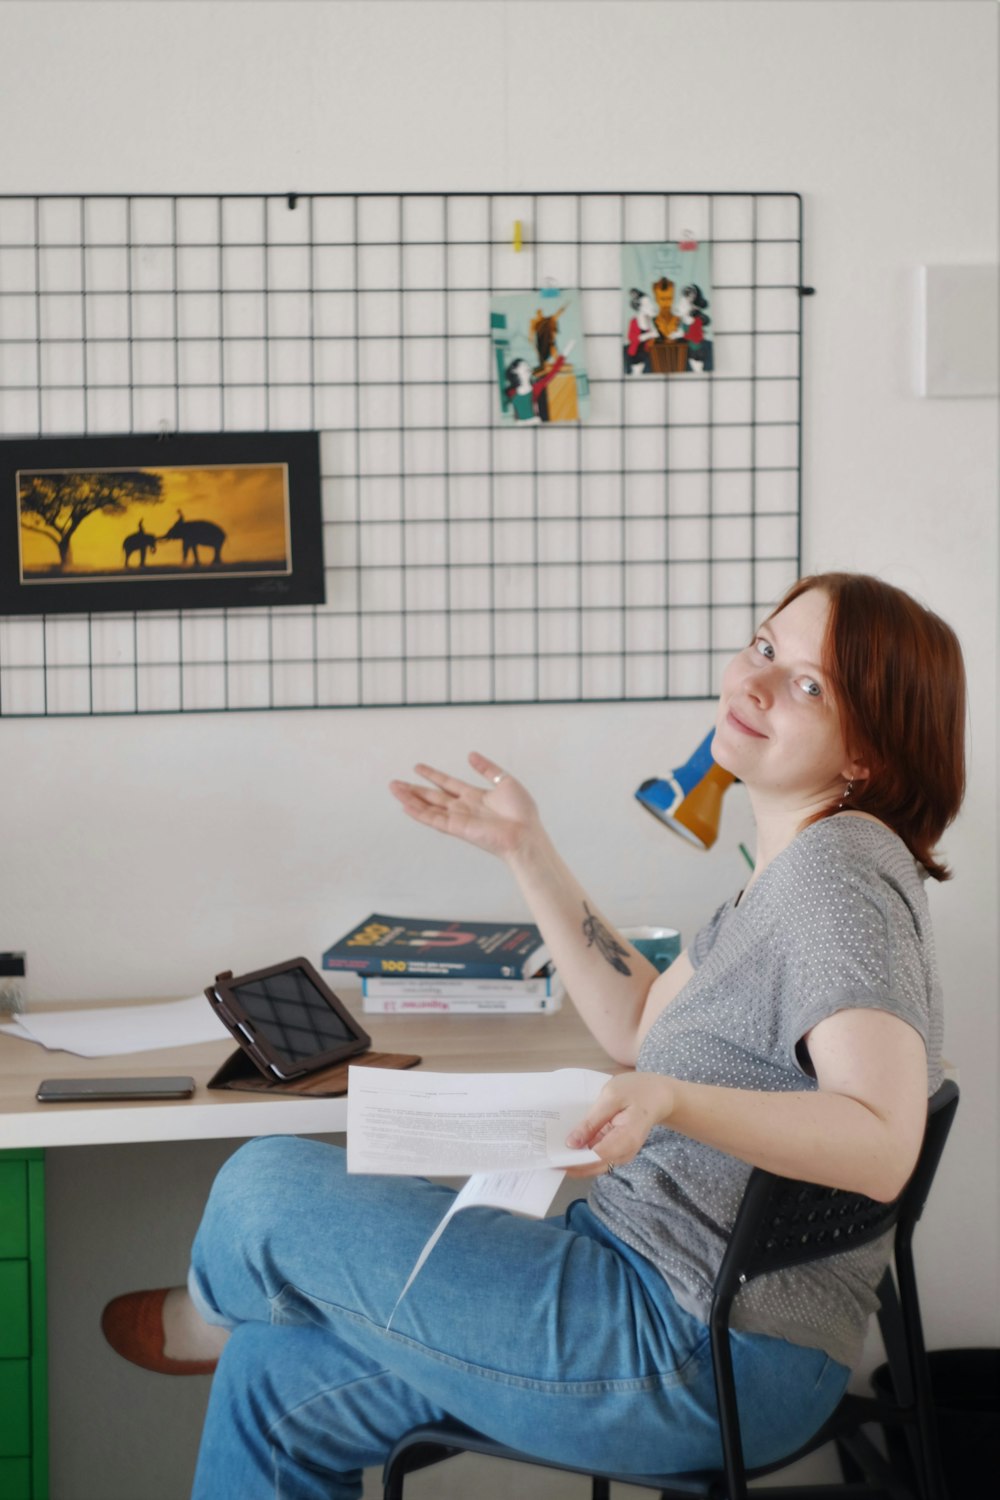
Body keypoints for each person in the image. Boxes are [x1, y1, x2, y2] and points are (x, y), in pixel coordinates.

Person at [102, 572, 966, 1500]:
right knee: (272, 1381)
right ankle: (241, 1325)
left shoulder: (835, 881)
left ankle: (215, 1311)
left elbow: (882, 1143)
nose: (754, 685)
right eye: (764, 648)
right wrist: (525, 847)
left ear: (866, 755)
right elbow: (639, 1026)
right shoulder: (788, 873)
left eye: (808, 686)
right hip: (667, 1308)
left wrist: (674, 1100)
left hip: (693, 1344)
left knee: (263, 1183)